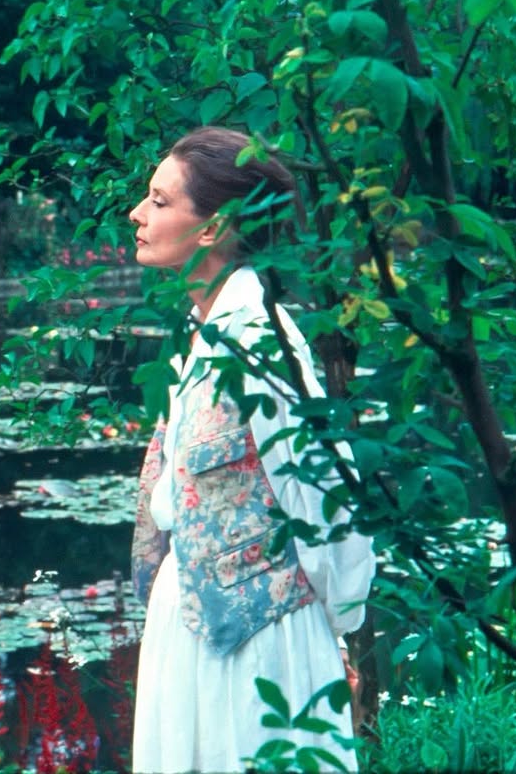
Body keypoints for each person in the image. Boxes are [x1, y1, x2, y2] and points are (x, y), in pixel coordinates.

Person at [128, 126, 376, 774]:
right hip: (192, 640)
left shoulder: (263, 344)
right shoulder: (204, 336)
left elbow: (329, 505)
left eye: (159, 201)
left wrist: (335, 630)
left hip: (263, 649)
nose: (137, 213)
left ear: (212, 229)